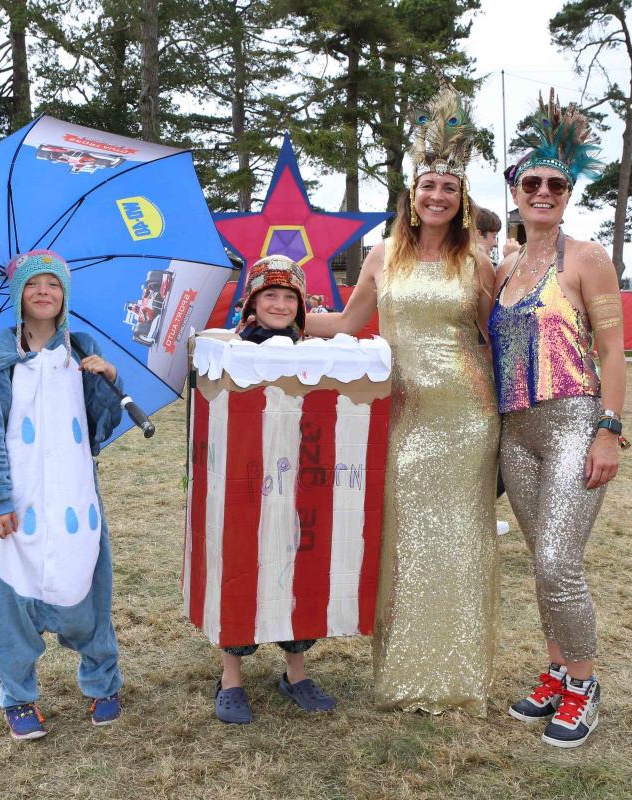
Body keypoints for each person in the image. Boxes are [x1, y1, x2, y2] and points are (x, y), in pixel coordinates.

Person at [304, 88, 501, 717]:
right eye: (427, 187)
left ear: (461, 196)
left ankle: (458, 673)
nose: (437, 197)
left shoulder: (479, 258)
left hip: (470, 415)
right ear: (410, 194)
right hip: (405, 413)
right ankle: (406, 672)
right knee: (406, 537)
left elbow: (494, 337)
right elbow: (348, 323)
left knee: (461, 535)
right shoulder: (383, 254)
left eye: (448, 187)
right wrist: (285, 317)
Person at [490, 90, 626, 748]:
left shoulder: (587, 258)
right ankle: (556, 670)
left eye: (556, 183)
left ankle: (585, 684)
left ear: (568, 193)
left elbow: (614, 350)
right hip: (516, 434)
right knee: (542, 565)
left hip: (573, 423)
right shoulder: (506, 267)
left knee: (557, 560)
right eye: (531, 181)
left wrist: (610, 427)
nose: (543, 191)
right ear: (514, 190)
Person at [0, 250, 124, 740]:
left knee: (88, 594)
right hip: (19, 505)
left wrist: (107, 381)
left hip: (73, 500)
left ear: (64, 295)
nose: (43, 293)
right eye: (33, 285)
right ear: (19, 295)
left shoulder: (81, 349)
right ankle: (18, 697)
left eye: (52, 285)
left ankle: (102, 682)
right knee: (9, 598)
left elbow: (100, 428)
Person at [214, 255, 338, 724]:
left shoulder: (312, 352)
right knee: (242, 561)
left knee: (297, 562)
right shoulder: (230, 349)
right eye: (271, 295)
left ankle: (296, 671)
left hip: (298, 471)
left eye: (290, 298)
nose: (281, 304)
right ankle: (231, 676)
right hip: (245, 474)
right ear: (253, 301)